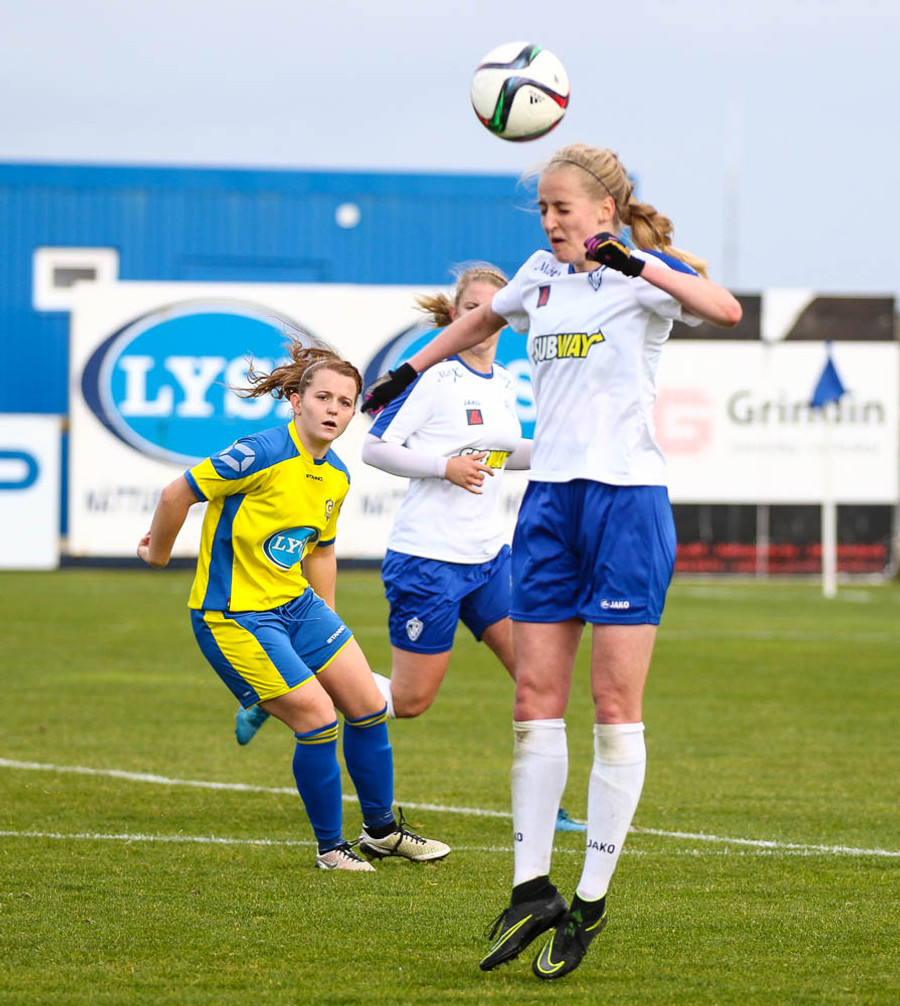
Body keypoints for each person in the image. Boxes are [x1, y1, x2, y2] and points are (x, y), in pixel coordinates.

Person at [362, 143, 742, 978]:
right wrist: (405, 372)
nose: (549, 221)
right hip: (548, 506)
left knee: (613, 706)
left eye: (561, 207)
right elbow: (480, 321)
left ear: (604, 209)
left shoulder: (642, 277)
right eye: (541, 208)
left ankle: (592, 900)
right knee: (534, 700)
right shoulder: (539, 275)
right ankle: (532, 888)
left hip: (626, 504)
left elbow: (724, 308)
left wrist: (633, 259)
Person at [235, 265, 586, 832]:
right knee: (411, 701)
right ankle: (287, 687)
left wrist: (560, 449)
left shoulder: (503, 383)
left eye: (495, 309)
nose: (486, 318)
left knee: (536, 676)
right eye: (472, 307)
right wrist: (444, 467)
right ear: (454, 314)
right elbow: (376, 447)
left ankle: (546, 804)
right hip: (428, 561)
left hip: (489, 560)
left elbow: (502, 453)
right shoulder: (434, 378)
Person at [137, 341, 450, 872]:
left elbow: (320, 549)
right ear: (296, 401)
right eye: (323, 397)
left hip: (298, 607)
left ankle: (381, 832)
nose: (334, 410)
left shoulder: (337, 475)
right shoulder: (260, 452)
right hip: (233, 615)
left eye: (345, 402)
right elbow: (175, 495)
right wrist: (158, 554)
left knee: (368, 705)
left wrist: (327, 620)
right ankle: (331, 850)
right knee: (319, 719)